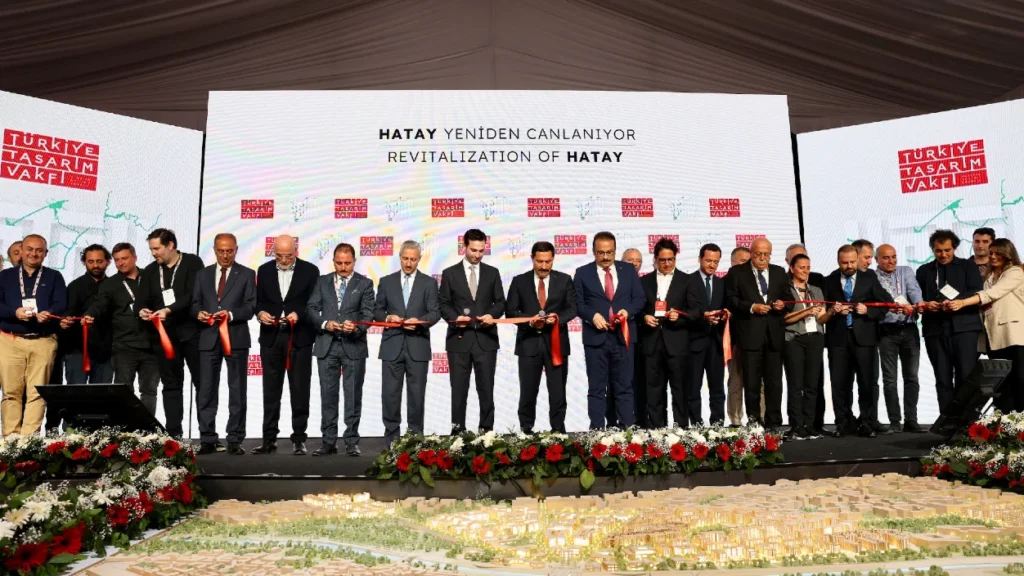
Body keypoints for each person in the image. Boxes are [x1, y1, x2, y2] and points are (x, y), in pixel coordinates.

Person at [253, 234, 319, 455]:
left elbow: (313, 303)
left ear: (296, 251)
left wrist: (298, 314)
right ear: (273, 253)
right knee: (270, 392)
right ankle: (268, 439)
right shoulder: (263, 270)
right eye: (279, 256)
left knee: (300, 390)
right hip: (271, 338)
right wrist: (260, 313)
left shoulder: (310, 271)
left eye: (288, 256)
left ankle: (299, 439)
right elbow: (258, 301)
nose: (283, 260)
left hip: (299, 338)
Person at [307, 243, 374, 456]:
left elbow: (368, 314)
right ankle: (328, 442)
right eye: (339, 263)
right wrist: (325, 323)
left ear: (354, 261)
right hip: (327, 345)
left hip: (353, 345)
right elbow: (311, 309)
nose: (343, 267)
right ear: (333, 261)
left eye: (347, 263)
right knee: (328, 396)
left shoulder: (365, 283)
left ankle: (351, 442)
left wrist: (356, 327)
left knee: (353, 396)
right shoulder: (322, 281)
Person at [191, 233, 255, 455]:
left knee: (237, 391)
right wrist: (198, 313)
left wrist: (231, 314)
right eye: (221, 251)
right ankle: (207, 438)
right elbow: (194, 303)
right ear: (215, 250)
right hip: (208, 338)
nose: (225, 255)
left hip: (236, 338)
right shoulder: (202, 275)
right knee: (206, 390)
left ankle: (235, 439)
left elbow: (251, 307)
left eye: (229, 251)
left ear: (236, 250)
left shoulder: (247, 274)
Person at [137, 228, 204, 440]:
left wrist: (169, 310)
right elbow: (141, 300)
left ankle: (207, 435)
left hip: (191, 333)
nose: (153, 253)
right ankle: (174, 434)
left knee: (202, 383)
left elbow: (192, 295)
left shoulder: (192, 263)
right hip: (164, 337)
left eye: (157, 248)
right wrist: (142, 310)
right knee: (171, 385)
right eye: (151, 249)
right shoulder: (150, 271)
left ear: (171, 245)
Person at [574, 231, 645, 429]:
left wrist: (627, 312)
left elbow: (640, 299)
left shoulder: (628, 270)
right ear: (593, 251)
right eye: (601, 253)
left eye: (610, 252)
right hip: (595, 339)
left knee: (624, 387)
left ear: (615, 251)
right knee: (597, 389)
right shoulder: (582, 272)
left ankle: (626, 432)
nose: (606, 257)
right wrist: (592, 316)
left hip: (623, 337)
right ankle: (597, 432)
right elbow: (577, 303)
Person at [506, 241, 577, 433]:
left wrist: (558, 319)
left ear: (553, 259)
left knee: (558, 392)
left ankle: (558, 433)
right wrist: (530, 321)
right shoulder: (519, 281)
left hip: (557, 345)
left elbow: (572, 308)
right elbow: (511, 311)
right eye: (539, 261)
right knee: (527, 392)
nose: (544, 266)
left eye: (548, 261)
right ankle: (526, 432)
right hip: (528, 345)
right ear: (532, 259)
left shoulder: (564, 280)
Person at [439, 228, 506, 434]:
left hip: (486, 340)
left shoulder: (492, 273)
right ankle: (457, 434)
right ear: (464, 247)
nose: (477, 255)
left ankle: (486, 433)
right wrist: (455, 319)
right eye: (473, 250)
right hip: (459, 340)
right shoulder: (449, 273)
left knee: (486, 390)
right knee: (458, 391)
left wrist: (491, 315)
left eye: (481, 250)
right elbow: (443, 304)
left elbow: (500, 302)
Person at [824, 245, 894, 438]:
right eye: (845, 263)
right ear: (838, 262)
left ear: (857, 259)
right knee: (839, 384)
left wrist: (868, 311)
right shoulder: (829, 280)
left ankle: (867, 422)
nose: (849, 266)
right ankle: (843, 423)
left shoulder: (869, 278)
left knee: (866, 382)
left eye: (852, 262)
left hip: (864, 338)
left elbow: (886, 303)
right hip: (838, 339)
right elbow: (823, 309)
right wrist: (833, 311)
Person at [375, 240, 440, 445]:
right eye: (405, 258)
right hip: (392, 346)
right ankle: (391, 441)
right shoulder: (386, 282)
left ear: (419, 259)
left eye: (413, 259)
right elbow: (376, 310)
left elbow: (435, 313)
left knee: (417, 397)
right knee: (390, 395)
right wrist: (388, 318)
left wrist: (419, 322)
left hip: (417, 345)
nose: (409, 263)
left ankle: (415, 441)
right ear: (400, 257)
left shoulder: (429, 283)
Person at [947, 239, 1024, 412]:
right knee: (1001, 383)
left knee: (1020, 379)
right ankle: (1006, 421)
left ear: (1008, 254)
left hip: (1015, 336)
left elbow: (992, 294)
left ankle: (1021, 419)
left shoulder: (1015, 272)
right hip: (993, 337)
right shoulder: (989, 277)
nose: (993, 256)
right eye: (991, 253)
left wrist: (962, 303)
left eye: (998, 253)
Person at [0, 234, 66, 436]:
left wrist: (49, 314)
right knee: (11, 393)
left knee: (37, 393)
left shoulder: (54, 276)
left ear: (46, 253)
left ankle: (29, 441)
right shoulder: (5, 276)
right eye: (29, 249)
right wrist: (14, 313)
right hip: (10, 340)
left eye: (39, 250)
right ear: (21, 251)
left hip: (43, 340)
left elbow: (61, 304)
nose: (33, 253)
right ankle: (10, 440)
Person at [84, 243, 160, 415]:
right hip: (124, 345)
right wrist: (90, 314)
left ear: (135, 258)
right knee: (123, 390)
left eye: (124, 258)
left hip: (152, 344)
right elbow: (100, 304)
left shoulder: (151, 278)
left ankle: (146, 428)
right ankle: (126, 428)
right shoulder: (110, 284)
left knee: (149, 391)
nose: (121, 263)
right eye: (117, 260)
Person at [46, 245, 114, 434]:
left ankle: (98, 437)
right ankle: (71, 437)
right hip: (77, 349)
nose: (95, 265)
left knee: (101, 396)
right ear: (84, 262)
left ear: (108, 262)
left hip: (106, 351)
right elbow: (67, 313)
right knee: (75, 395)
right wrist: (66, 321)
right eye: (91, 261)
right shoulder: (75, 286)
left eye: (99, 261)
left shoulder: (114, 285)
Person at [915, 229, 983, 417]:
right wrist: (927, 304)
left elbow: (977, 291)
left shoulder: (968, 266)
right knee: (942, 378)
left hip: (964, 329)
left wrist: (958, 301)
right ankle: (946, 422)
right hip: (935, 330)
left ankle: (967, 422)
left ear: (954, 248)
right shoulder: (924, 271)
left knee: (966, 376)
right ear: (932, 250)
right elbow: (917, 298)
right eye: (938, 251)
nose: (943, 254)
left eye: (947, 250)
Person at [724, 237, 788, 429]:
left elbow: (787, 298)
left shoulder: (779, 272)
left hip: (774, 335)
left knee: (774, 382)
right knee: (751, 383)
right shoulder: (737, 272)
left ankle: (774, 422)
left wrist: (782, 304)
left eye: (766, 254)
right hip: (750, 335)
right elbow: (731, 300)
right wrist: (752, 307)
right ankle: (754, 423)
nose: (762, 258)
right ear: (751, 253)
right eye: (758, 254)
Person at [640, 237, 701, 427]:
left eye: (671, 259)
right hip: (652, 344)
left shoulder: (687, 280)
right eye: (663, 260)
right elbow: (638, 309)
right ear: (655, 260)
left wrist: (679, 316)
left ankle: (681, 430)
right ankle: (657, 431)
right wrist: (644, 317)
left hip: (677, 344)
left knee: (680, 390)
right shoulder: (644, 281)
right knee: (653, 391)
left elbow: (696, 312)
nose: (667, 263)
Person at [874, 244, 925, 432]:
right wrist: (892, 307)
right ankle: (895, 422)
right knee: (890, 380)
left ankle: (911, 419)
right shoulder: (873, 277)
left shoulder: (905, 271)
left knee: (911, 377)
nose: (891, 261)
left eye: (894, 256)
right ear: (877, 260)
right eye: (886, 258)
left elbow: (914, 290)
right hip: (887, 330)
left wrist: (919, 303)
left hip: (909, 328)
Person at [782, 253, 827, 440]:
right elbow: (784, 319)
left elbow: (821, 318)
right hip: (794, 339)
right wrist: (806, 311)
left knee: (812, 385)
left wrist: (833, 312)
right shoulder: (786, 290)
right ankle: (796, 425)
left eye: (808, 268)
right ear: (792, 268)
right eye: (801, 267)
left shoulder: (816, 290)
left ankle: (809, 424)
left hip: (815, 338)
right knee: (795, 385)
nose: (805, 271)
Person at [690, 243, 727, 425]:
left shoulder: (722, 284)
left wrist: (726, 315)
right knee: (693, 388)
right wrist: (703, 316)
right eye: (708, 261)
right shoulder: (689, 281)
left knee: (717, 388)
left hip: (716, 342)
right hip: (694, 341)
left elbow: (726, 308)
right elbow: (687, 309)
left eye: (716, 262)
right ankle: (696, 425)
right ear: (700, 259)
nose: (712, 265)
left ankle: (718, 425)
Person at [619, 247, 646, 427]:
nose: (635, 264)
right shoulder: (616, 282)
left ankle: (640, 420)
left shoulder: (645, 282)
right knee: (621, 382)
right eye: (631, 260)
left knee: (639, 382)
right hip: (621, 339)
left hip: (644, 340)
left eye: (638, 261)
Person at [725, 246, 750, 426]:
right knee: (735, 381)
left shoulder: (754, 284)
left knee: (758, 382)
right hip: (733, 339)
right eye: (743, 262)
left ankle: (759, 421)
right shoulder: (723, 283)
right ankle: (735, 421)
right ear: (733, 262)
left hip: (754, 339)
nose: (747, 265)